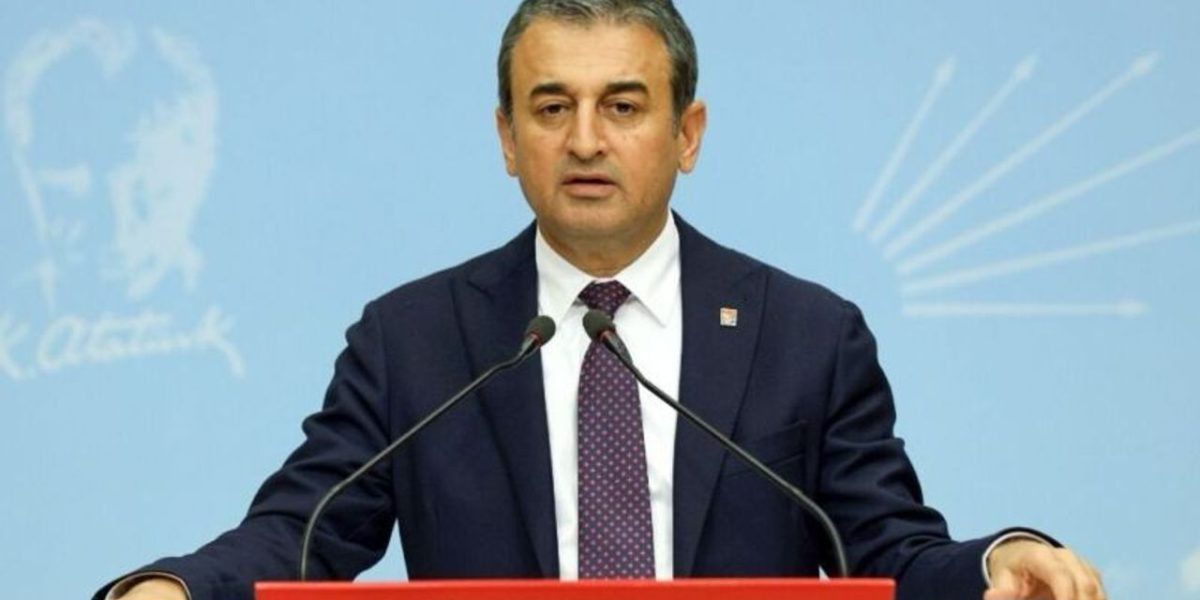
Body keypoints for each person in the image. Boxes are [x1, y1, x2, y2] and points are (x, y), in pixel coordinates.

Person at [99, 2, 1106, 600]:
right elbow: (302, 534)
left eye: (622, 105)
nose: (585, 139)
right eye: (552, 107)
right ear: (507, 138)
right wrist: (176, 587)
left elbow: (887, 552)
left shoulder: (807, 335)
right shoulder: (413, 340)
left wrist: (996, 562)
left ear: (687, 133)